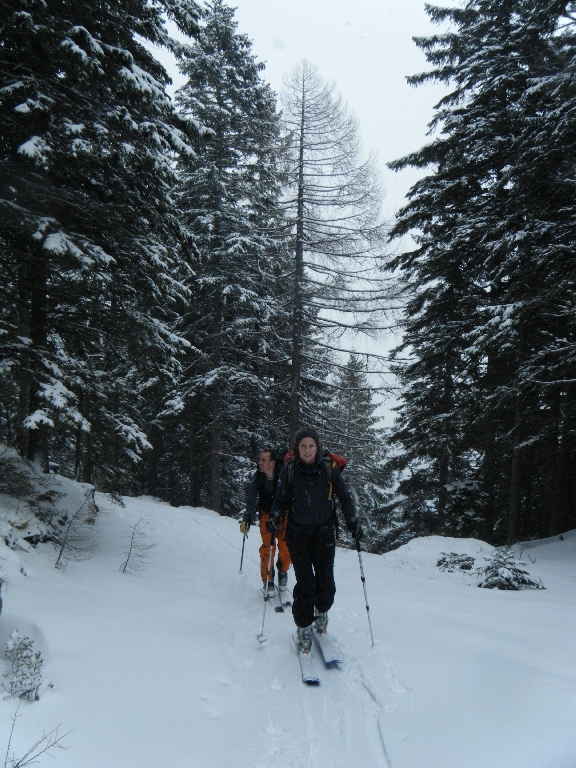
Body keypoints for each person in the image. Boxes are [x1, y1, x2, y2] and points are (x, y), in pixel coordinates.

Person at [267, 427, 362, 654]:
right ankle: (303, 626)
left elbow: (344, 496)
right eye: (303, 446)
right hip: (297, 534)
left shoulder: (328, 468)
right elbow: (280, 499)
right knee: (306, 583)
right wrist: (274, 517)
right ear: (297, 448)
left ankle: (321, 610)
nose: (307, 450)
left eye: (311, 446)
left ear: (317, 447)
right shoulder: (290, 470)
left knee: (325, 583)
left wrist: (352, 521)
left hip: (324, 532)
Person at [240, 448, 292, 597]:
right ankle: (268, 579)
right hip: (266, 515)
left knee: (286, 548)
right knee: (267, 548)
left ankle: (282, 571)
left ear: (272, 463)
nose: (260, 463)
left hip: (283, 515)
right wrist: (248, 518)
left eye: (264, 460)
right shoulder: (258, 478)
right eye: (260, 459)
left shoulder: (283, 476)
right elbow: (251, 500)